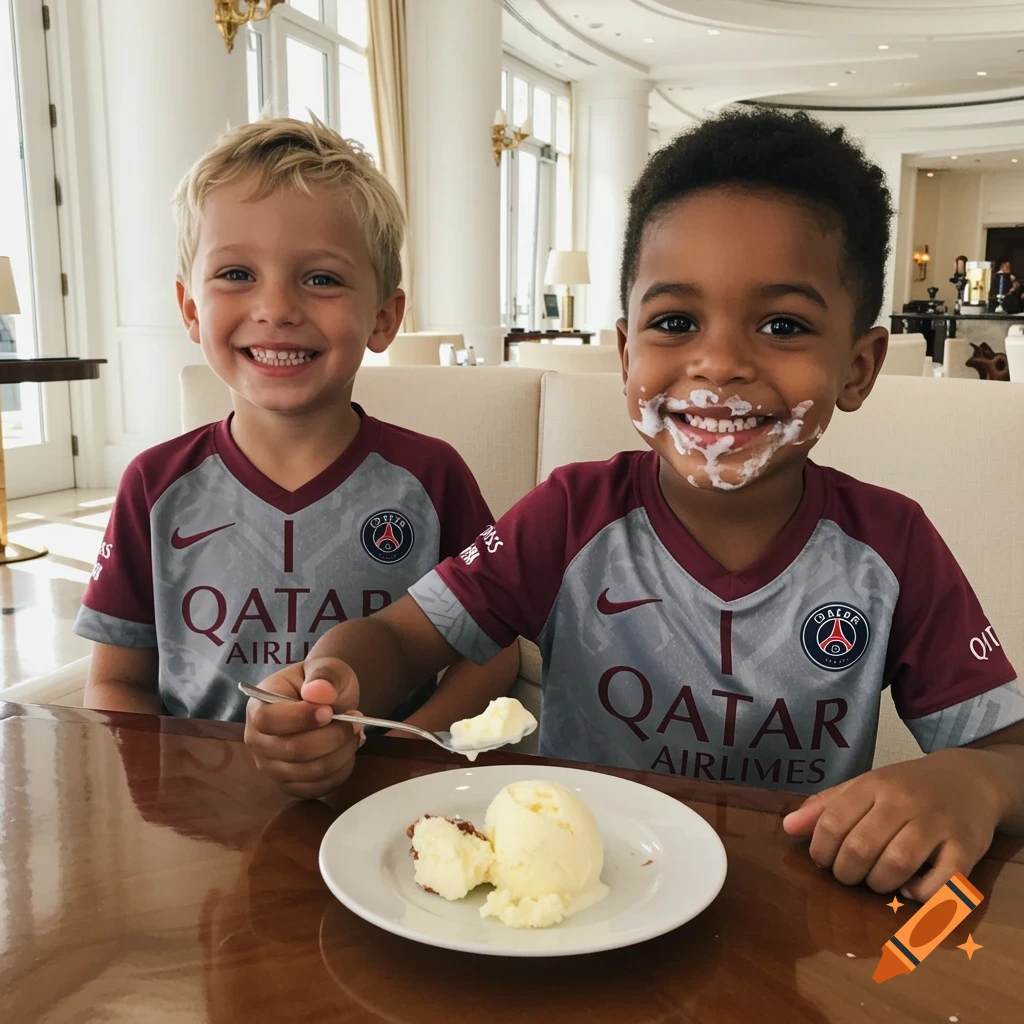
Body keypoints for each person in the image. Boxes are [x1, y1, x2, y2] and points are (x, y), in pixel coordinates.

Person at [245, 108, 1024, 900]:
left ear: (858, 367)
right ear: (624, 355)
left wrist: (976, 783)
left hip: (793, 932)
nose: (717, 363)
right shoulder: (571, 515)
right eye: (675, 322)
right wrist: (335, 678)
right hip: (575, 910)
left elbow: (1010, 754)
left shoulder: (891, 549)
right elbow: (400, 641)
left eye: (783, 325)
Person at [75, 116, 518, 787]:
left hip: (381, 810)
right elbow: (115, 681)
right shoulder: (154, 485)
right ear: (190, 308)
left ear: (384, 317)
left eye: (321, 279)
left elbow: (493, 651)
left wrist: (409, 760)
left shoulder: (431, 477)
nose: (276, 307)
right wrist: (166, 784)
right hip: (202, 826)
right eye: (235, 273)